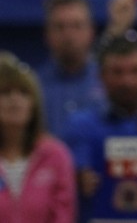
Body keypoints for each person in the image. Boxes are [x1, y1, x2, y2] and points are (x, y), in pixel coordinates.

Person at [61, 34, 137, 216]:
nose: (127, 81)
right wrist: (76, 178)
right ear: (101, 75)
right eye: (117, 72)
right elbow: (68, 178)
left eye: (135, 71)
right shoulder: (80, 126)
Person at [0, 52, 77, 222]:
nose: (15, 99)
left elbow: (63, 216)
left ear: (34, 103)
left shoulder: (55, 155)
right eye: (5, 93)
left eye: (23, 93)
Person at [37, 0, 105, 138]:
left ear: (91, 32)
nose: (68, 35)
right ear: (47, 34)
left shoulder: (109, 82)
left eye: (77, 26)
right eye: (60, 27)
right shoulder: (34, 87)